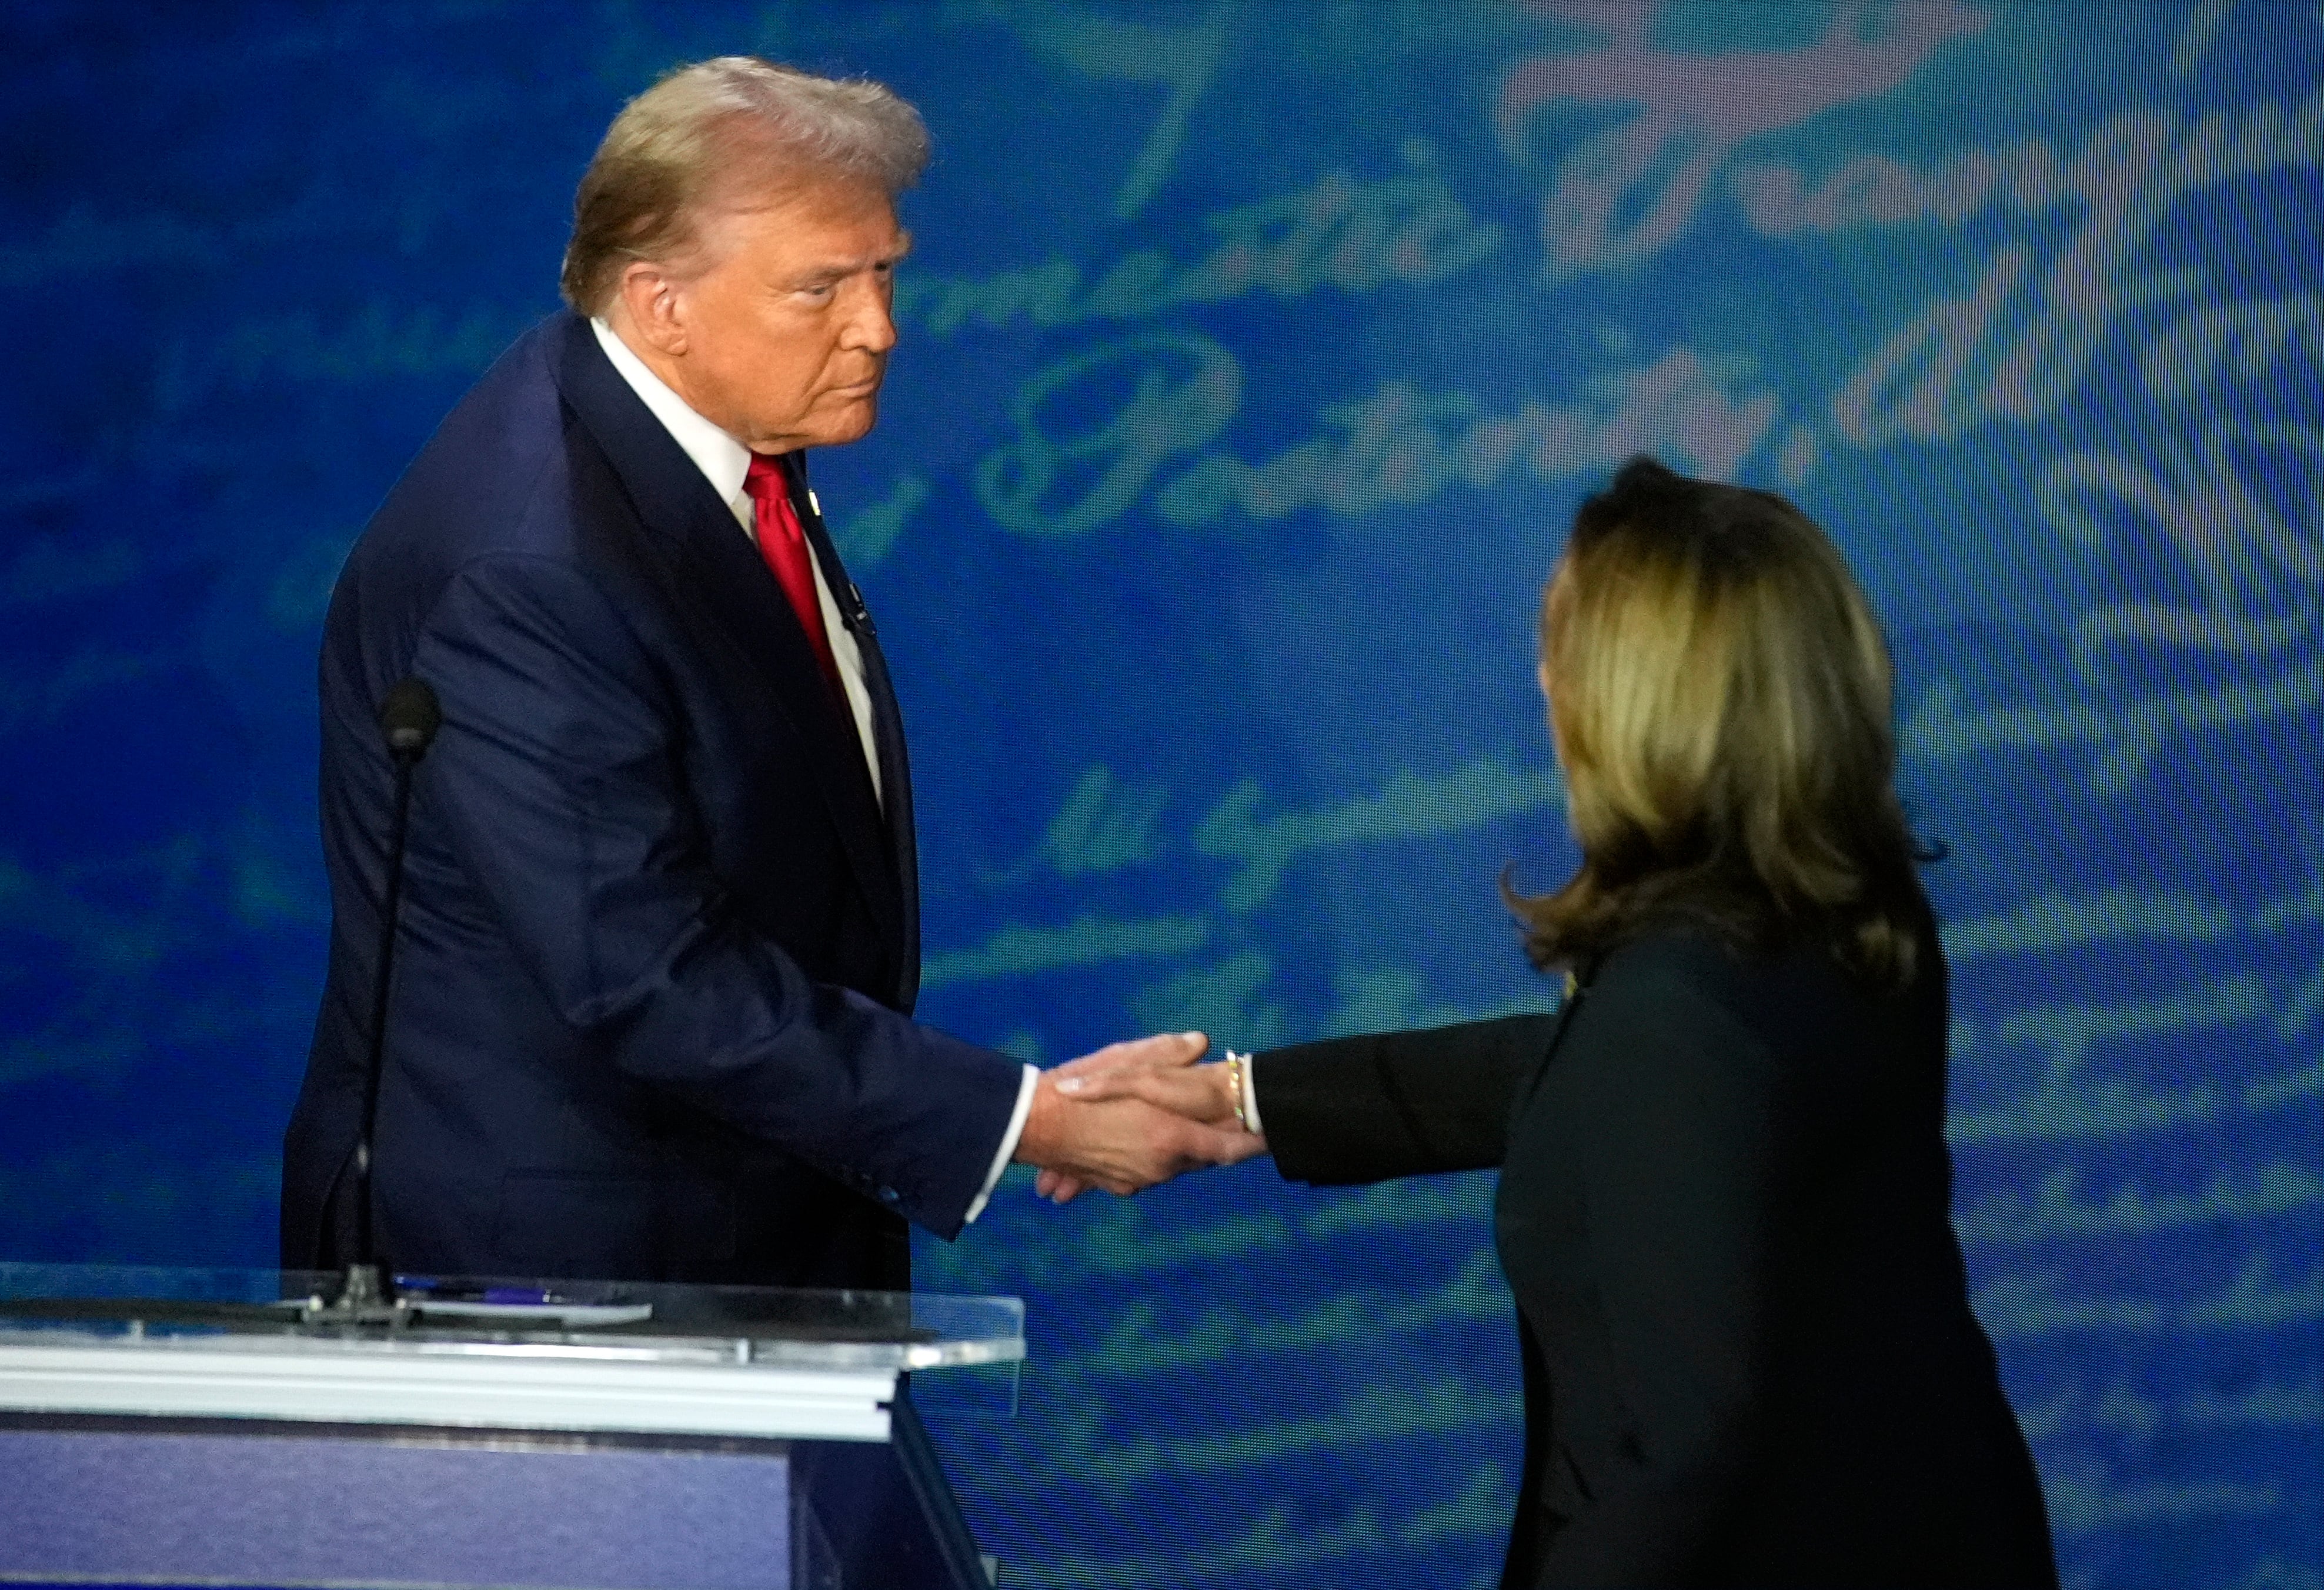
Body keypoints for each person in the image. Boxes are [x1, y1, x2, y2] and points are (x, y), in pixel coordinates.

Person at [281, 57, 1248, 1291]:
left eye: (885, 269)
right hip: (564, 1283)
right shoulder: (530, 564)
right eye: (820, 288)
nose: (879, 326)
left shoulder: (697, 448)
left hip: (738, 1227)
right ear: (660, 303)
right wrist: (1028, 1118)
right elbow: (645, 974)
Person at [1055, 458, 2060, 1586]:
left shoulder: (1679, 1007)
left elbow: (1688, 1455)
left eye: (1562, 649)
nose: (1542, 678)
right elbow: (1612, 1089)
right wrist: (1247, 1102)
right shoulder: (1842, 908)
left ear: (1635, 704)